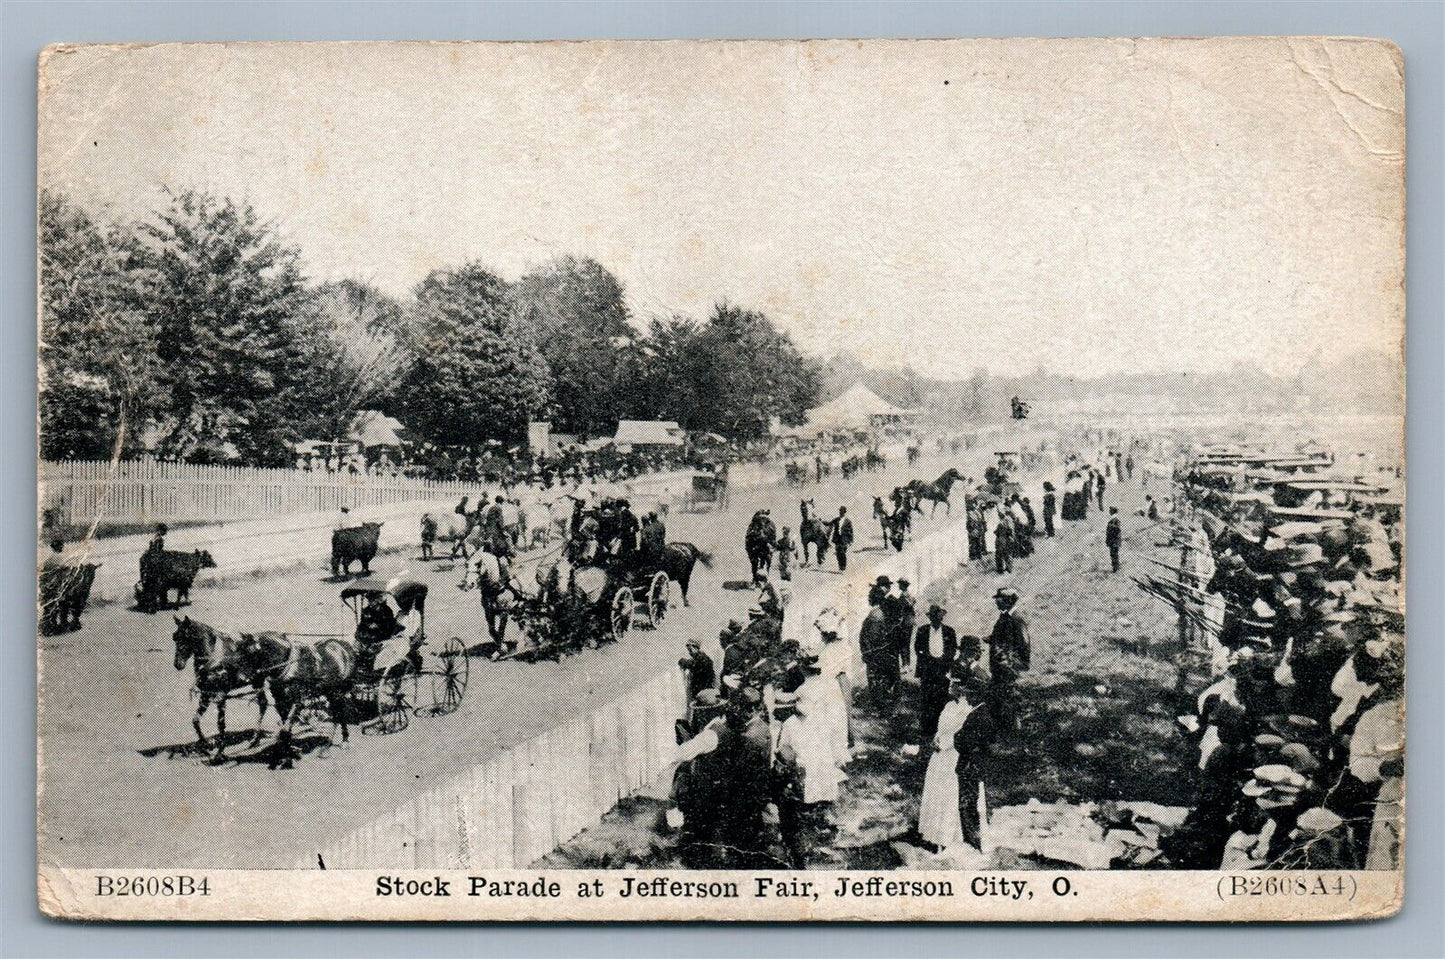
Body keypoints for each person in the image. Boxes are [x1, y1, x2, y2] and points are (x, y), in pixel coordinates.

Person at [987, 587, 1031, 733]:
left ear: (1009, 601)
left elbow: (1023, 645)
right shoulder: (1004, 617)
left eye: (1000, 599)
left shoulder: (1017, 619)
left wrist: (1016, 664)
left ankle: (1014, 730)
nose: (997, 602)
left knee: (1009, 696)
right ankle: (1005, 729)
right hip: (1001, 665)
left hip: (1008, 666)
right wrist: (993, 640)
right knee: (1000, 695)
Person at [913, 604, 959, 741]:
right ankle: (926, 729)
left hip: (942, 670)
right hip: (927, 670)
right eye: (933, 618)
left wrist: (944, 662)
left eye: (938, 618)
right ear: (930, 618)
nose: (936, 620)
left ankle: (940, 727)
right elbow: (918, 648)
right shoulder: (922, 631)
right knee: (927, 699)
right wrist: (928, 659)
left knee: (941, 698)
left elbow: (952, 650)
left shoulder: (949, 631)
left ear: (942, 618)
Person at [859, 592, 897, 708]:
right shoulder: (877, 614)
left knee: (876, 678)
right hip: (875, 651)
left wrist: (869, 650)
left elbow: (874, 636)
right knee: (877, 677)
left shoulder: (875, 614)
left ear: (872, 600)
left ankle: (879, 704)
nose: (868, 599)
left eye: (869, 598)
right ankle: (880, 703)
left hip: (874, 652)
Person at [828, 506, 854, 571]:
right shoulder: (836, 520)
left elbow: (851, 531)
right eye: (840, 511)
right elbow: (829, 523)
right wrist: (820, 521)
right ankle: (840, 567)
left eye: (842, 511)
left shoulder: (848, 521)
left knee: (842, 553)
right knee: (838, 553)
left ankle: (843, 567)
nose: (840, 512)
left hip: (844, 540)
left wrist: (851, 540)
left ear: (844, 512)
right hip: (837, 539)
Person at [994, 510, 1014, 575]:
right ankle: (1008, 568)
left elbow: (997, 532)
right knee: (1007, 554)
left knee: (1000, 554)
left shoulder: (1001, 523)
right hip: (1005, 539)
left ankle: (1001, 569)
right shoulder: (1007, 521)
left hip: (1001, 539)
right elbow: (1010, 530)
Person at [1106, 507, 1122, 573]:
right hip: (1113, 540)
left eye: (1110, 511)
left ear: (1113, 512)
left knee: (1114, 554)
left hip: (1114, 540)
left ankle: (1116, 568)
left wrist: (1111, 526)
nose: (1109, 512)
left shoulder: (1115, 520)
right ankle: (1115, 567)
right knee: (1113, 554)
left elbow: (1117, 529)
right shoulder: (1113, 520)